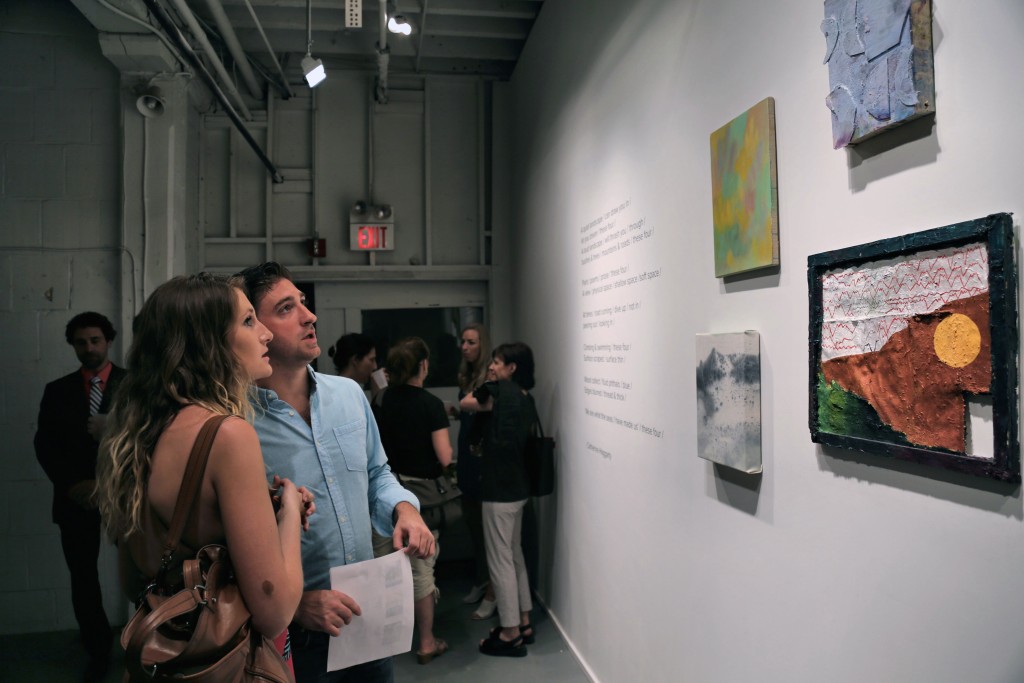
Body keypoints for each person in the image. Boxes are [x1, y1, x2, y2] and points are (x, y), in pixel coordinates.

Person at [94, 274, 308, 679]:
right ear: (209, 343)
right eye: (248, 321)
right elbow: (275, 611)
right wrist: (291, 511)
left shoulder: (133, 434)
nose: (264, 334)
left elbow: (131, 581)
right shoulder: (227, 434)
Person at [237, 262, 435, 683]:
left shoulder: (348, 395)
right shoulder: (237, 425)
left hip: (366, 618)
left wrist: (405, 508)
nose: (309, 317)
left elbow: (377, 471)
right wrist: (296, 604)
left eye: (304, 304)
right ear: (257, 328)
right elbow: (227, 541)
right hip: (293, 634)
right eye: (286, 308)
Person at [34, 311, 125, 681]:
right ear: (72, 345)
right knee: (83, 577)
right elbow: (45, 445)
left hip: (124, 495)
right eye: (81, 342)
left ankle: (150, 640)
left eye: (95, 341)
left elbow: (151, 441)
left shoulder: (133, 385)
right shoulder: (57, 391)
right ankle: (97, 648)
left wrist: (111, 483)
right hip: (75, 497)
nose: (88, 348)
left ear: (108, 341)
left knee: (148, 568)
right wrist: (73, 484)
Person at [376, 338, 453, 664]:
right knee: (421, 571)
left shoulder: (379, 400)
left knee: (384, 569)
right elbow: (445, 457)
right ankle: (426, 642)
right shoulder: (431, 403)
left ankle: (382, 643)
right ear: (422, 366)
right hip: (419, 500)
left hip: (383, 495)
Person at [460, 342, 538, 657]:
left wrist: (484, 387)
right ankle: (524, 620)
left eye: (497, 362)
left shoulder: (497, 394)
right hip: (520, 489)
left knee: (500, 560)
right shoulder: (526, 398)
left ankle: (509, 633)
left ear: (512, 367)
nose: (492, 367)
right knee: (515, 555)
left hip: (498, 491)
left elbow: (466, 403)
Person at [454, 323, 498, 617]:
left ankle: (493, 589)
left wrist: (464, 406)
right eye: (463, 341)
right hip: (468, 459)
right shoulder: (467, 375)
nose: (465, 347)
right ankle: (482, 580)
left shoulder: (489, 378)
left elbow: (484, 409)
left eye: (471, 342)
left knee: (489, 531)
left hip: (485, 461)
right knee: (472, 524)